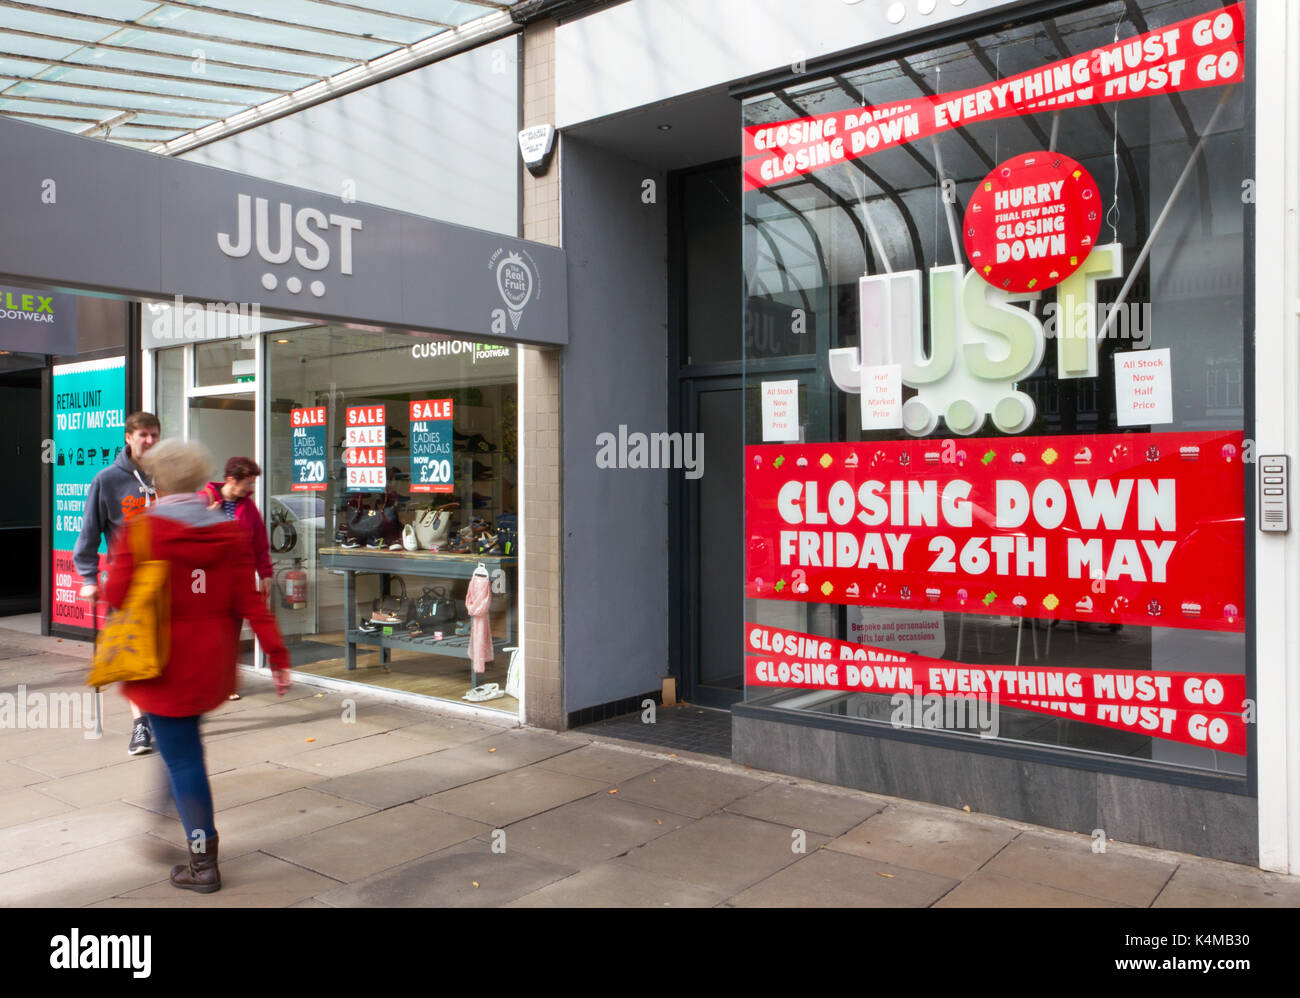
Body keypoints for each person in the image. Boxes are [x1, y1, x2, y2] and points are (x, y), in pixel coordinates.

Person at [103, 439, 291, 894]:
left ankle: (202, 862)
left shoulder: (143, 530)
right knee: (179, 748)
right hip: (210, 665)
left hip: (162, 666)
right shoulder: (226, 531)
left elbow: (116, 597)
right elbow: (250, 599)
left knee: (184, 758)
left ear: (159, 480)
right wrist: (278, 657)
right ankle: (164, 821)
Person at [74, 411, 160, 756]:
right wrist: (89, 578)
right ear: (128, 437)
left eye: (154, 435)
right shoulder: (107, 480)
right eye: (143, 435)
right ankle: (141, 724)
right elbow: (88, 535)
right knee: (133, 653)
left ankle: (167, 712)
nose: (150, 441)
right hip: (129, 583)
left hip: (168, 580)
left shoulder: (166, 475)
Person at [201, 457, 273, 699]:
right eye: (248, 482)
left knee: (230, 633)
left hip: (236, 580)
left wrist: (265, 574)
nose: (249, 487)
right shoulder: (205, 499)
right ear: (231, 479)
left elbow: (260, 544)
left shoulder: (248, 507)